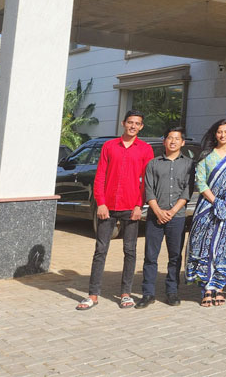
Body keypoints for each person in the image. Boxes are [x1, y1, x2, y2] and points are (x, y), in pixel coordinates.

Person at [76, 110, 154, 311]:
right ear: (123, 123)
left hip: (131, 207)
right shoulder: (109, 146)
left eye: (137, 123)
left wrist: (139, 205)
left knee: (130, 251)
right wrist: (100, 202)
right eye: (130, 122)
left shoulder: (145, 150)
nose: (133, 126)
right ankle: (93, 294)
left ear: (141, 126)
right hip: (107, 207)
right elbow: (100, 175)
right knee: (100, 250)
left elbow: (146, 181)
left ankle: (125, 294)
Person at [185, 119, 226, 307]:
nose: (223, 135)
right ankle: (207, 289)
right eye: (219, 132)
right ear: (215, 134)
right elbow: (201, 181)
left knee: (225, 246)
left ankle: (219, 287)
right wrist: (215, 201)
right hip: (207, 207)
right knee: (204, 245)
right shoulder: (206, 155)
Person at [135, 127, 194, 309]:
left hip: (177, 217)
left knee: (175, 256)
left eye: (177, 138)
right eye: (170, 138)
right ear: (164, 141)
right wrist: (158, 211)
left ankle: (172, 292)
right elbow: (148, 189)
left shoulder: (189, 164)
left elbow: (187, 190)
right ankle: (148, 293)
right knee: (150, 256)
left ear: (182, 143)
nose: (173, 141)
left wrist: (173, 211)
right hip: (155, 216)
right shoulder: (153, 164)